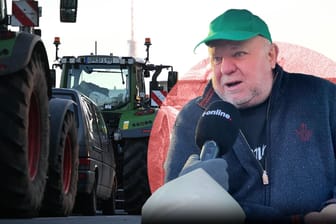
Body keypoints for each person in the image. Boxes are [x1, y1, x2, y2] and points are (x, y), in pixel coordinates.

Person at [164, 8, 336, 224]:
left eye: (238, 54)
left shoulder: (322, 98)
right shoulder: (193, 118)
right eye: (216, 58)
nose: (225, 68)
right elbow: (174, 207)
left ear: (271, 55)